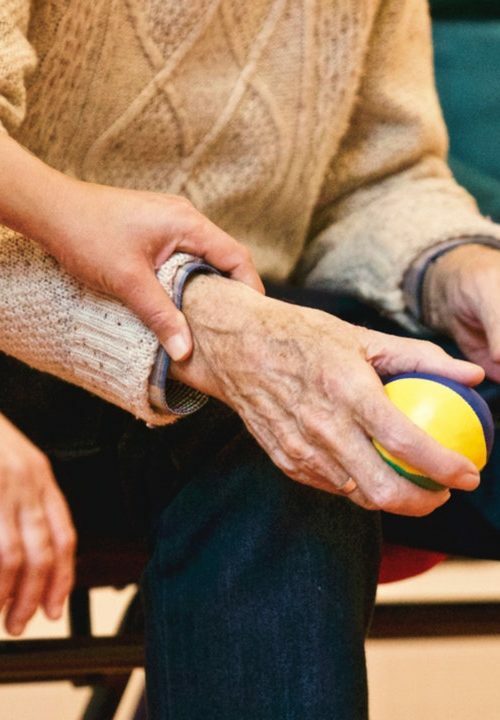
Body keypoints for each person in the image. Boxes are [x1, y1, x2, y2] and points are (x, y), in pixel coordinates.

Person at [0, 1, 500, 717]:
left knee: (299, 399)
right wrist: (212, 326)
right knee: (285, 432)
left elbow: (377, 176)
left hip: (273, 323)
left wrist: (456, 270)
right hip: (33, 340)